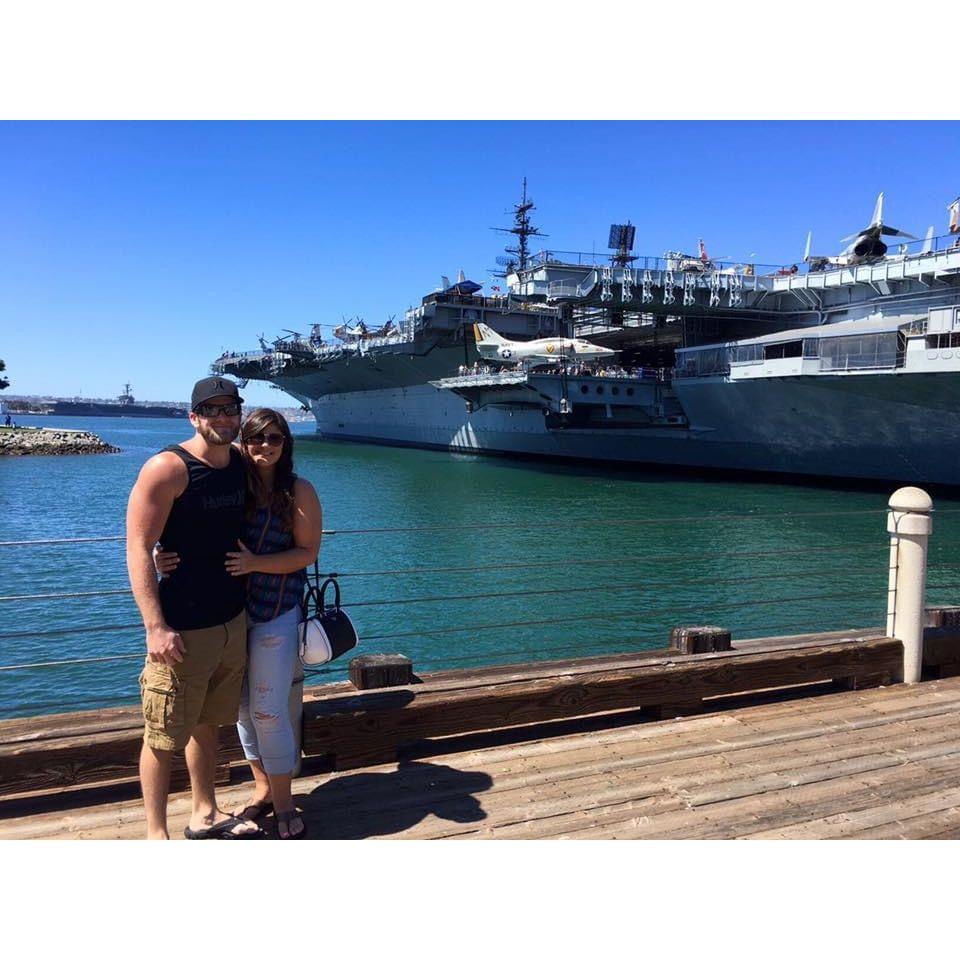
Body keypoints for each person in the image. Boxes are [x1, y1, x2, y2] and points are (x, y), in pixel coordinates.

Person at [157, 408, 322, 839]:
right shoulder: (234, 484)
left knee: (268, 710)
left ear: (286, 444)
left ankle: (285, 806)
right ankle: (264, 788)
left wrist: (255, 564)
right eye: (254, 439)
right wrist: (162, 550)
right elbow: (195, 525)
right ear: (242, 444)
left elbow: (307, 554)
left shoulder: (298, 491)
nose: (263, 446)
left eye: (274, 438)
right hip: (229, 614)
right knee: (244, 712)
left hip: (275, 612)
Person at [126, 376, 260, 839]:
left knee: (209, 725)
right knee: (162, 736)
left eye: (231, 409)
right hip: (182, 628)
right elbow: (139, 548)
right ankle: (155, 835)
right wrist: (154, 626)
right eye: (212, 410)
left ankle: (205, 812)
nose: (223, 417)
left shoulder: (240, 463)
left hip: (231, 620)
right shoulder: (168, 468)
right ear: (194, 417)